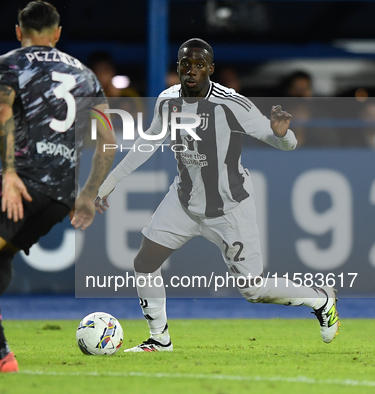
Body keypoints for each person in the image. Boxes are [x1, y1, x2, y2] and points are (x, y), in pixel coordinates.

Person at [95, 38, 339, 353]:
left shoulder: (232, 104)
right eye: (185, 64)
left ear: (210, 69)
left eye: (199, 65)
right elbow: (148, 142)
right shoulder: (167, 100)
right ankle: (159, 340)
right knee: (144, 261)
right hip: (183, 202)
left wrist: (282, 134)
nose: (191, 71)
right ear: (179, 67)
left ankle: (320, 298)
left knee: (254, 290)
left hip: (229, 208)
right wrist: (110, 181)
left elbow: (283, 142)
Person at [0, 1, 115, 373]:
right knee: (0, 256)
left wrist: (9, 173)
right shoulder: (86, 75)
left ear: (19, 31)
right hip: (62, 193)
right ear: (58, 33)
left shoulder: (9, 62)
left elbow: (1, 113)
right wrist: (89, 192)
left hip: (27, 179)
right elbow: (107, 139)